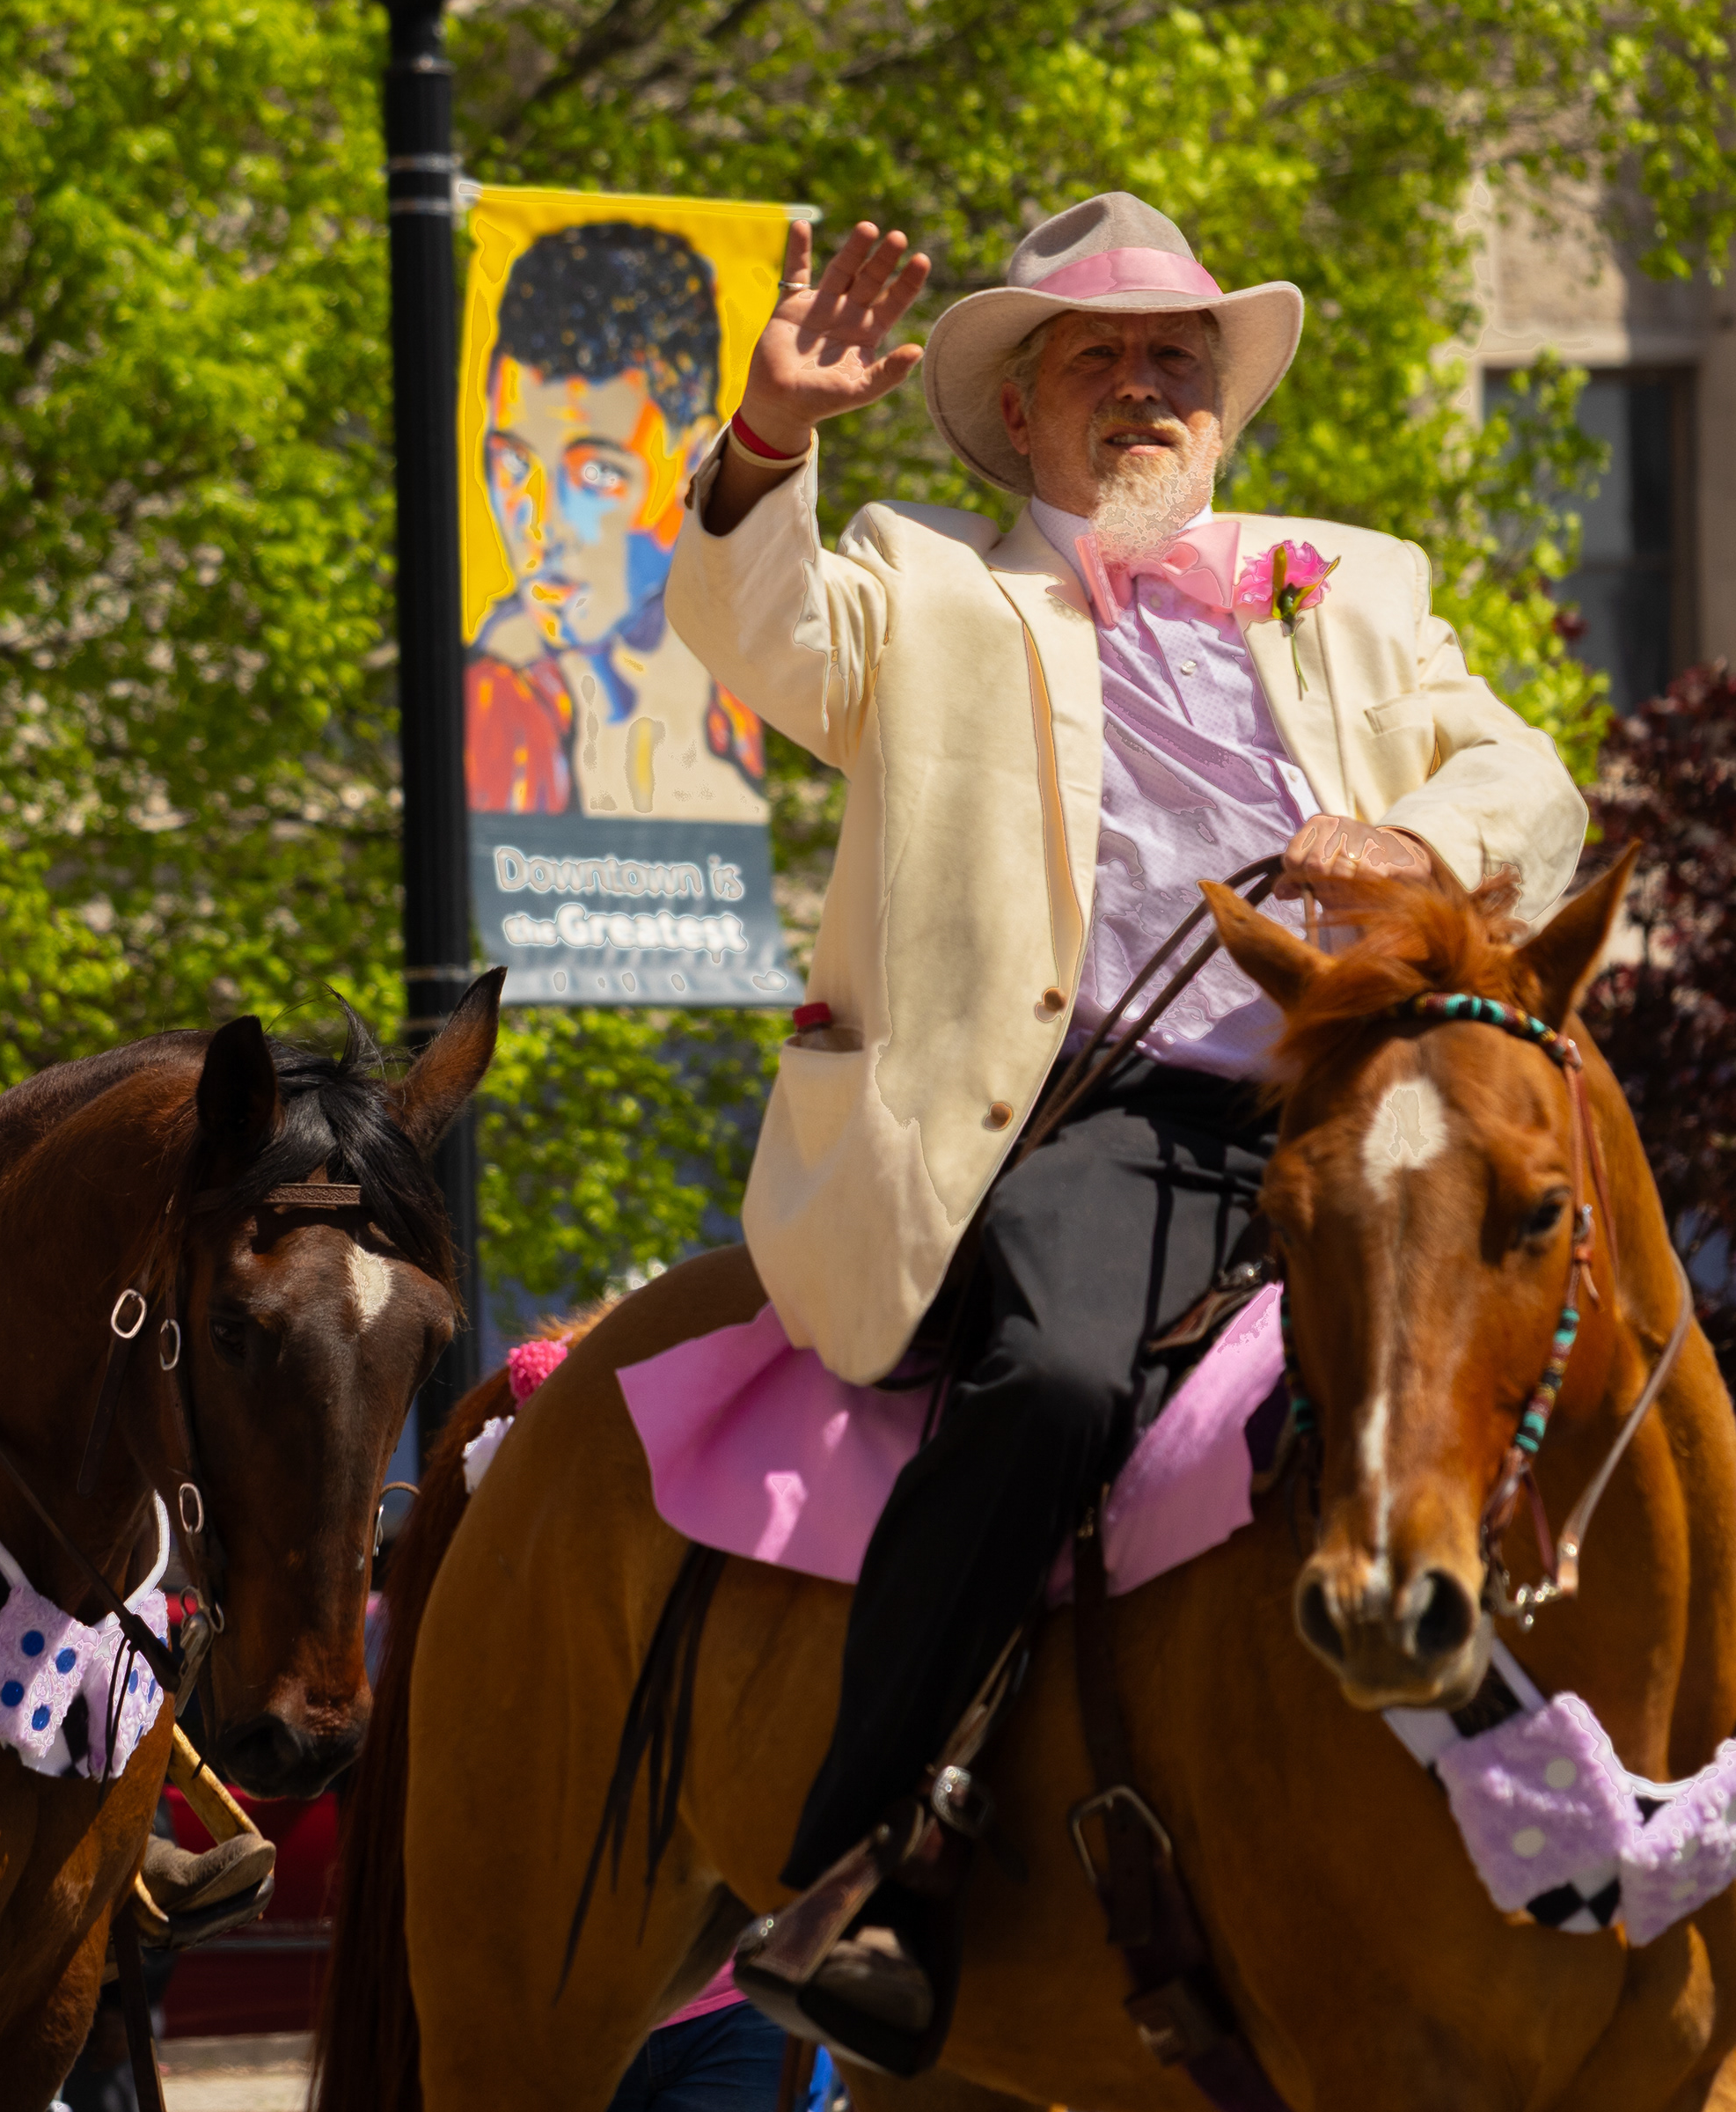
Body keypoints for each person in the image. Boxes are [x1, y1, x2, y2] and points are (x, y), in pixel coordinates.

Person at [664, 194, 1588, 2064]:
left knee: (1599, 1301)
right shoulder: (927, 587)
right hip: (1115, 1124)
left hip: (1367, 1098)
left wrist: (1418, 846)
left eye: (1180, 357)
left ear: (1222, 408)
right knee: (1069, 1377)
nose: (1151, 385)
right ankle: (864, 1858)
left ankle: (1682, 1775)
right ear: (1023, 415)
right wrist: (768, 437)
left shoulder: (1352, 582)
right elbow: (749, 631)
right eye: (1103, 356)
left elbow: (1530, 778)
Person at [468, 221, 770, 820]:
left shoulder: (744, 690)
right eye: (512, 465)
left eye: (596, 478)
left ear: (694, 461)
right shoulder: (495, 704)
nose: (540, 526)